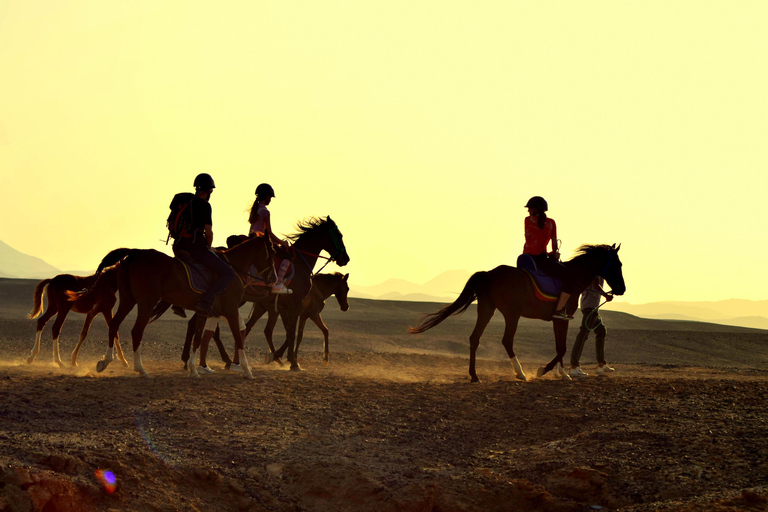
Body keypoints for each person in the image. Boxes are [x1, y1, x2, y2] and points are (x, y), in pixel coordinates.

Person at [172, 173, 236, 315]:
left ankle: (178, 304)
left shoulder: (187, 202)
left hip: (178, 245)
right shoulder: (205, 206)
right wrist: (208, 247)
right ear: (209, 191)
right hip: (196, 248)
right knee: (228, 273)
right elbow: (209, 233)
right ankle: (205, 301)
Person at [522, 196, 575, 320]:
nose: (528, 211)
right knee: (570, 279)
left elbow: (532, 239)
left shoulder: (527, 220)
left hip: (525, 258)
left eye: (530, 208)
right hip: (540, 260)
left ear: (536, 209)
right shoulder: (551, 223)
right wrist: (554, 253)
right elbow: (554, 243)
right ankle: (558, 309)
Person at [248, 183, 292, 294]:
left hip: (252, 241)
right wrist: (283, 242)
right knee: (287, 255)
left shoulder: (255, 210)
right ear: (267, 197)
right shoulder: (265, 212)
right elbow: (269, 233)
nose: (270, 200)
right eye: (270, 198)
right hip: (262, 242)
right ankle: (278, 283)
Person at [569, 276, 614, 378]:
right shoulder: (596, 268)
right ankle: (574, 367)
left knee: (601, 331)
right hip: (590, 306)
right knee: (583, 334)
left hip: (589, 306)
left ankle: (601, 364)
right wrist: (605, 295)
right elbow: (595, 284)